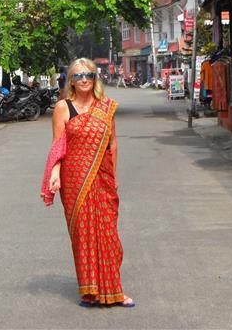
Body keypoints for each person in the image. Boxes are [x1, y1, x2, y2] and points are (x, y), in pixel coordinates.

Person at [41, 58, 135, 308]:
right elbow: (58, 145)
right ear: (71, 80)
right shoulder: (63, 107)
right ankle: (90, 291)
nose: (84, 79)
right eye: (79, 75)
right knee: (82, 235)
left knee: (108, 235)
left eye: (89, 75)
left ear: (95, 79)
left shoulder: (106, 107)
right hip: (74, 181)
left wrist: (111, 176)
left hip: (102, 178)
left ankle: (115, 290)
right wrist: (54, 173)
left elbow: (112, 143)